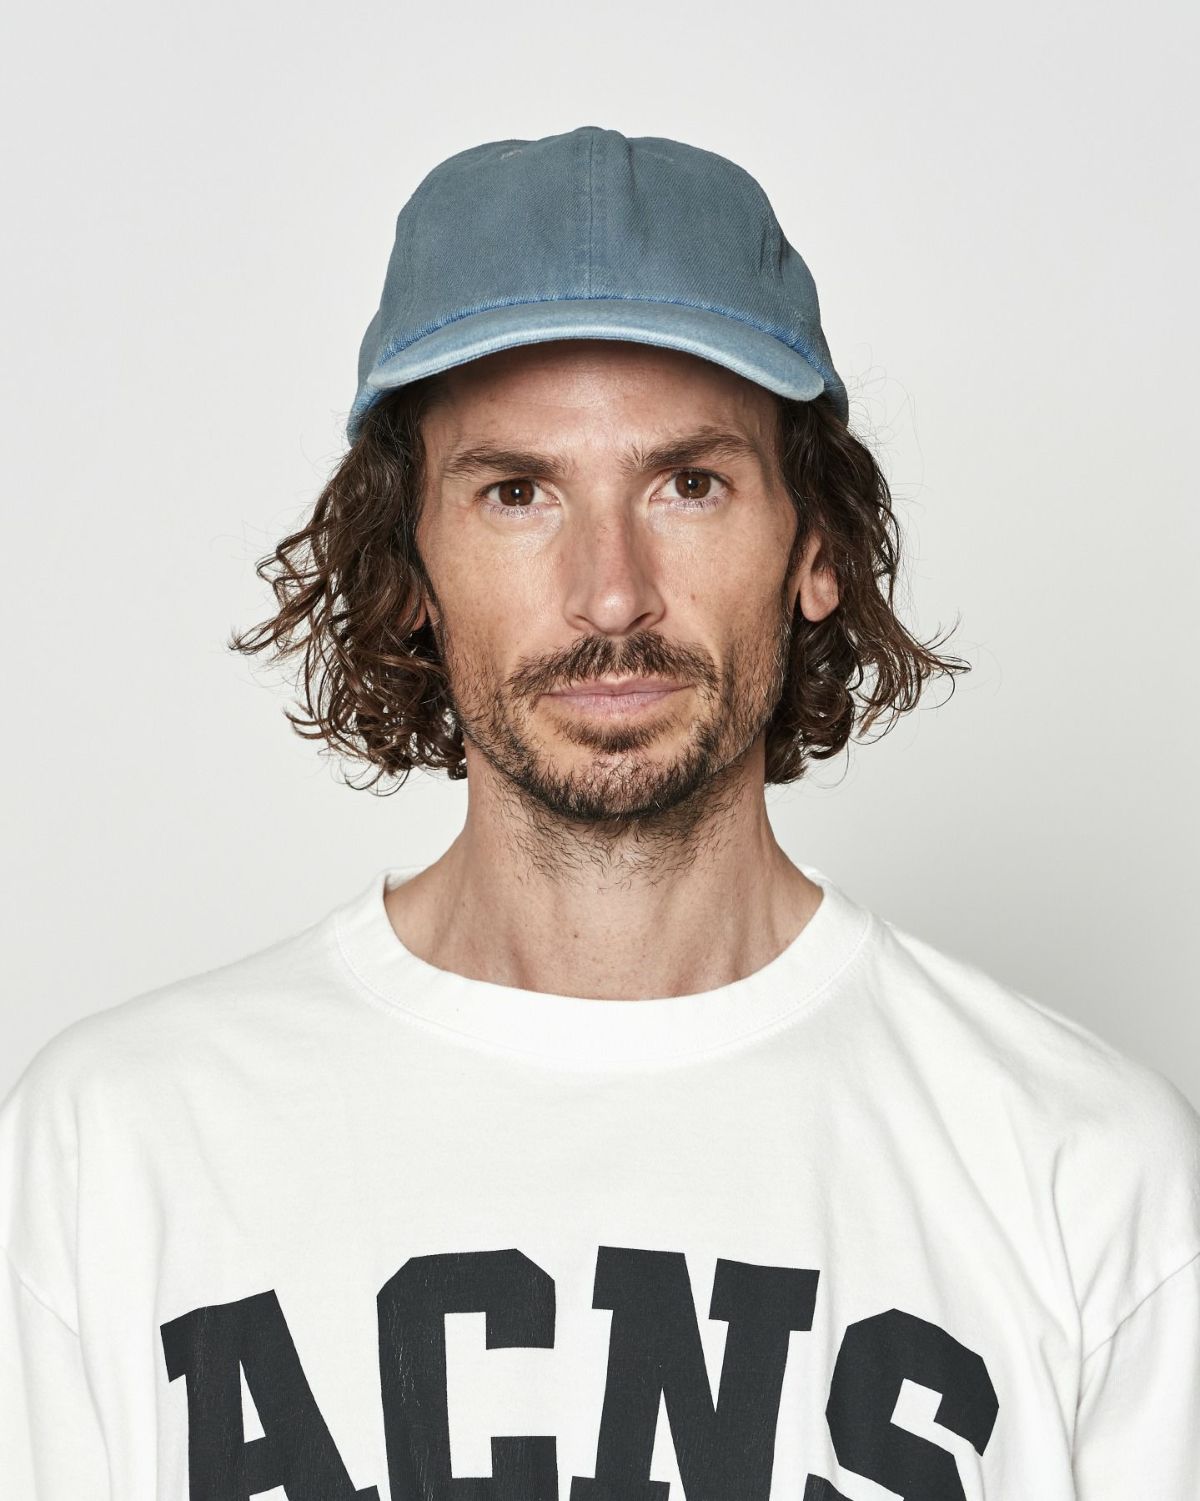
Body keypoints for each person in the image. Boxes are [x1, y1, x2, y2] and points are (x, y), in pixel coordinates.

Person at [2, 126, 1197, 1500]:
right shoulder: (115, 1155)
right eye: (518, 493)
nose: (611, 592)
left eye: (689, 483)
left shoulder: (1086, 1179)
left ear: (814, 546)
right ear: (407, 568)